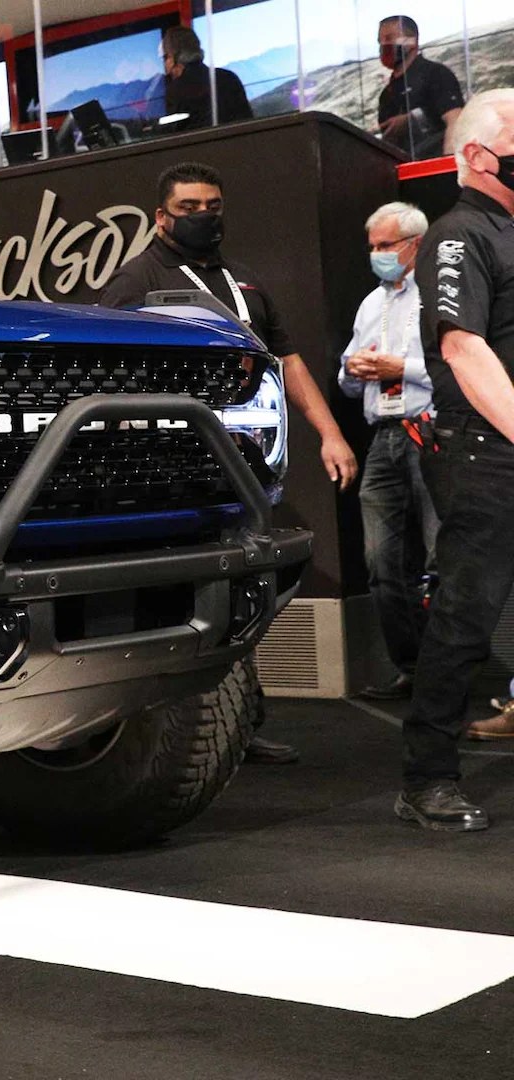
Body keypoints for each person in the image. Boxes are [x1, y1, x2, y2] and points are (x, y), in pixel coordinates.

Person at [99, 161, 360, 766]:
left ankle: (240, 719)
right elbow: (105, 370)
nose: (204, 215)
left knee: (249, 589)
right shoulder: (135, 280)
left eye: (212, 204)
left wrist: (330, 434)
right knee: (188, 597)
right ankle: (183, 729)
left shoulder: (243, 281)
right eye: (189, 207)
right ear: (162, 217)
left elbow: (288, 359)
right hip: (174, 473)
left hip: (248, 468)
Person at [397, 89, 514, 829]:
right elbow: (463, 347)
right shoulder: (458, 233)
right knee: (466, 621)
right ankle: (425, 779)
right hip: (488, 454)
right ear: (476, 155)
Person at [338, 202, 438, 702]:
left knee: (444, 559)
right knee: (380, 564)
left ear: (414, 244)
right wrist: (352, 370)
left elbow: (455, 362)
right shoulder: (369, 304)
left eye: (385, 246)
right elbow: (349, 379)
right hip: (383, 438)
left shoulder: (441, 294)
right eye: (372, 246)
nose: (376, 255)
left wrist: (401, 366)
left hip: (433, 431)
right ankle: (412, 667)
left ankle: (448, 673)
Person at [377, 16, 465, 160]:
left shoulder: (435, 74)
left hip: (433, 169)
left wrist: (448, 169)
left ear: (412, 41)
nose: (383, 45)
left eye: (389, 38)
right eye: (380, 41)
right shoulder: (386, 94)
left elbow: (455, 120)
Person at [159, 26, 253, 128]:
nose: (165, 66)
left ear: (173, 57)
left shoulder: (176, 91)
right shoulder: (229, 78)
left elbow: (175, 134)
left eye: (165, 58)